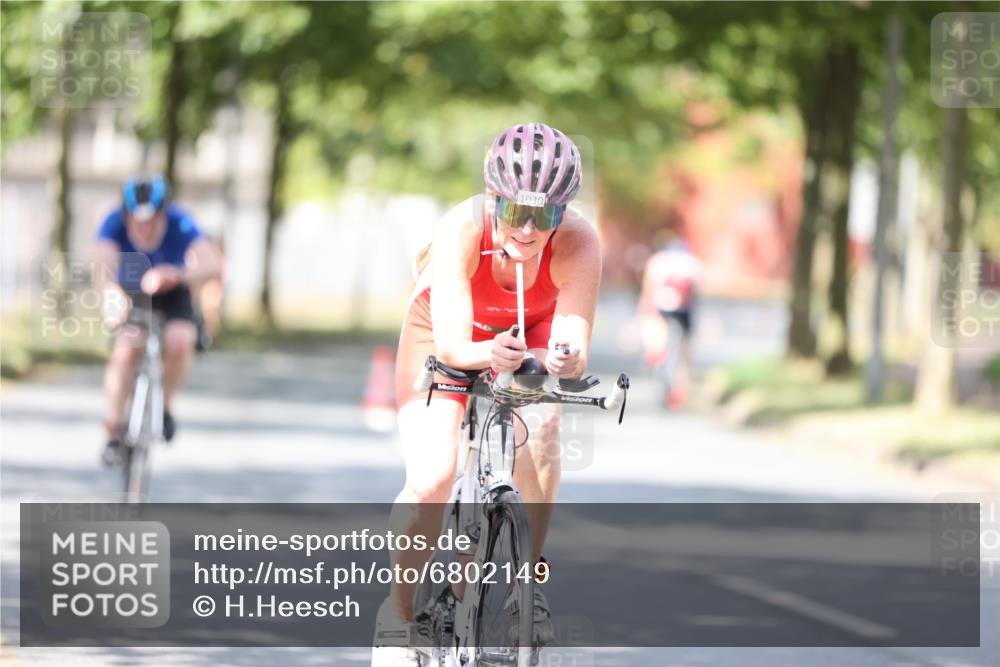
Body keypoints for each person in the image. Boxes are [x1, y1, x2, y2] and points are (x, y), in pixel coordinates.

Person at [374, 123, 601, 665]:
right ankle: (399, 617)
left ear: (562, 213)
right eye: (513, 211)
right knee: (431, 477)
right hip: (445, 336)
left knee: (543, 431)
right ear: (492, 198)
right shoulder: (460, 229)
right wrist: (490, 355)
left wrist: (563, 356)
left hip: (529, 337)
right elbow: (453, 347)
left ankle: (529, 581)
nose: (526, 228)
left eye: (543, 216)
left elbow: (573, 346)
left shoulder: (579, 243)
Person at [93, 176, 222, 464]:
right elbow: (101, 265)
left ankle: (163, 407)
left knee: (180, 340)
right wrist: (111, 294)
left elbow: (212, 264)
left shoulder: (181, 222)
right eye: (138, 221)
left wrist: (176, 274)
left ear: (164, 212)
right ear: (126, 215)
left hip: (172, 290)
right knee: (127, 347)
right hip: (131, 291)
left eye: (152, 219)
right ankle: (113, 429)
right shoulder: (112, 222)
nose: (145, 227)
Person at [638, 228, 702, 409]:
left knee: (662, 347)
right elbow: (695, 291)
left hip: (663, 309)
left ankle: (665, 379)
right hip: (684, 311)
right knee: (683, 353)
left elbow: (649, 289)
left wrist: (644, 310)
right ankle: (679, 389)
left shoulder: (658, 262)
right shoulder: (691, 262)